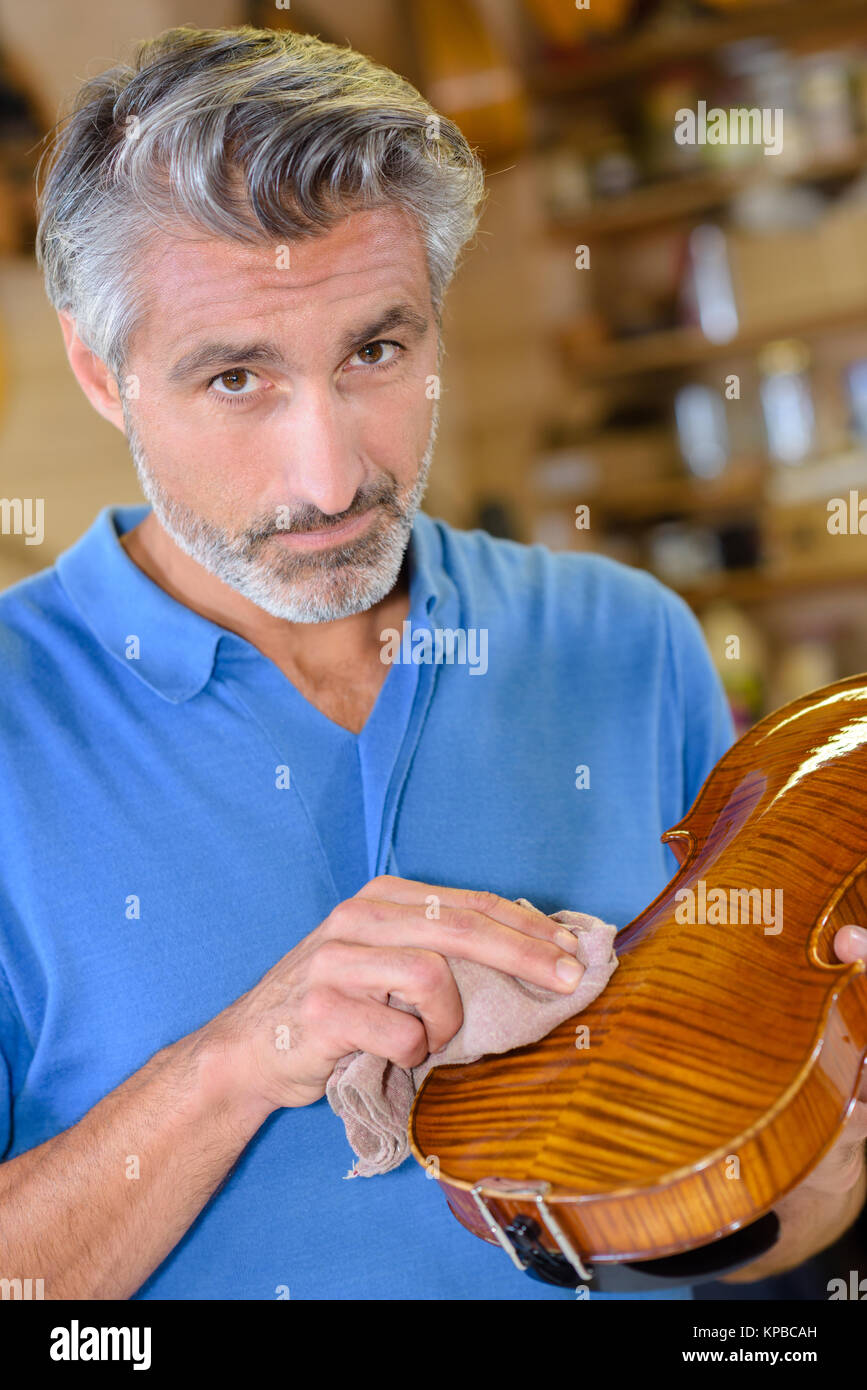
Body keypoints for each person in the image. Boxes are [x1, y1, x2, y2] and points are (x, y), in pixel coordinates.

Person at [0, 24, 863, 1301]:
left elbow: (742, 1235)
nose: (334, 475)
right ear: (100, 369)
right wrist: (238, 1060)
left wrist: (833, 1116)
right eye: (237, 376)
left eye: (377, 351)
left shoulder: (628, 641)